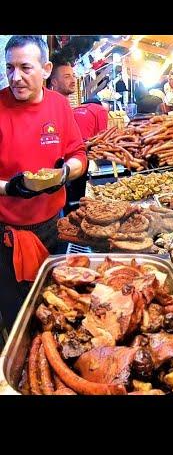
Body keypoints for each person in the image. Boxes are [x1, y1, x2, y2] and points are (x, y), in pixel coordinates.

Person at [0, 35, 87, 329]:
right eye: (10, 68)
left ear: (46, 68)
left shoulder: (59, 106)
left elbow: (77, 153)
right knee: (20, 316)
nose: (16, 77)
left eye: (25, 67)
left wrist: (64, 174)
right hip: (8, 235)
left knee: (60, 307)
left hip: (54, 228)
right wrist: (8, 188)